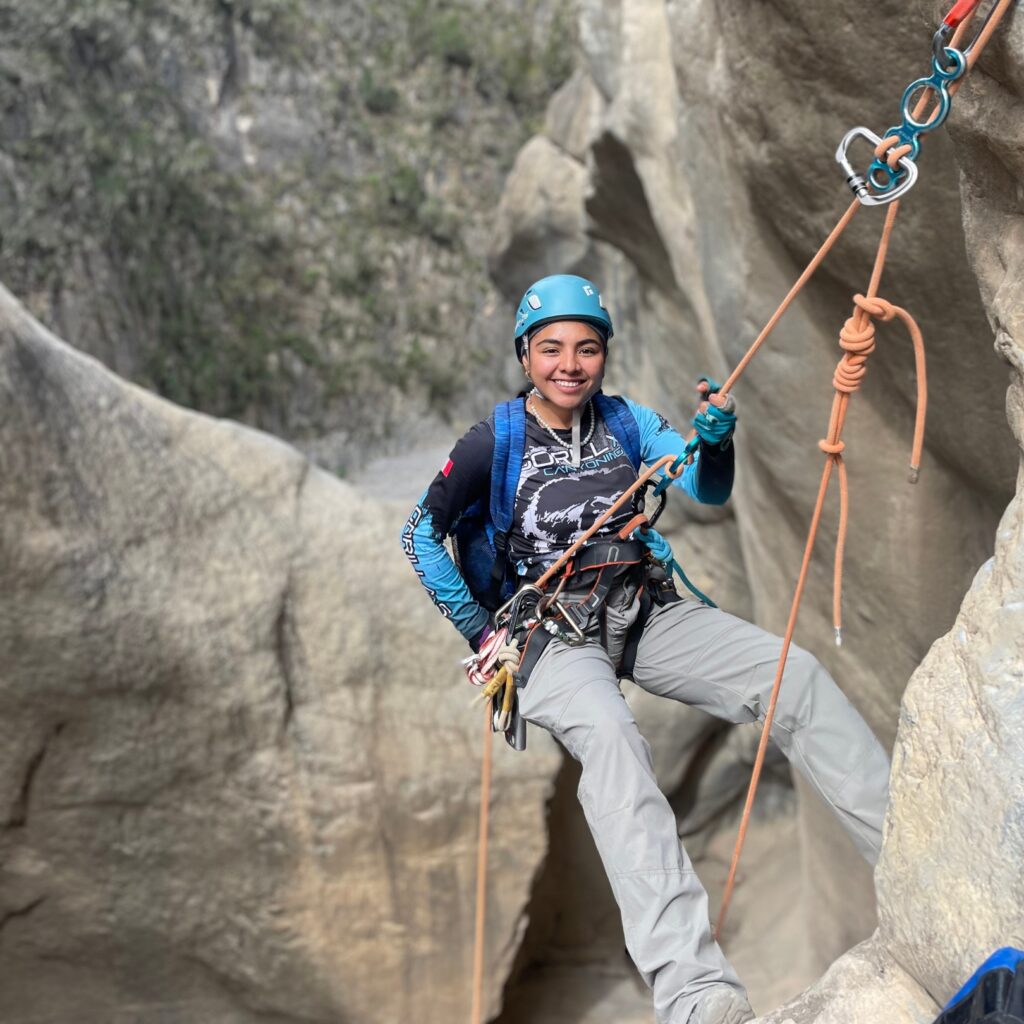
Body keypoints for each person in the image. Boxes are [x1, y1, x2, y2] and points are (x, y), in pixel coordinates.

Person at [400, 274, 891, 1024]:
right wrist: (483, 630)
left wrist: (717, 438)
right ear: (525, 355)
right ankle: (694, 992)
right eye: (552, 348)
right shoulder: (491, 443)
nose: (570, 363)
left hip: (641, 611)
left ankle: (912, 863)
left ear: (604, 355)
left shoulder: (628, 424)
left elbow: (706, 486)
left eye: (587, 348)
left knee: (792, 674)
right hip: (547, 639)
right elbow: (419, 535)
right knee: (614, 746)